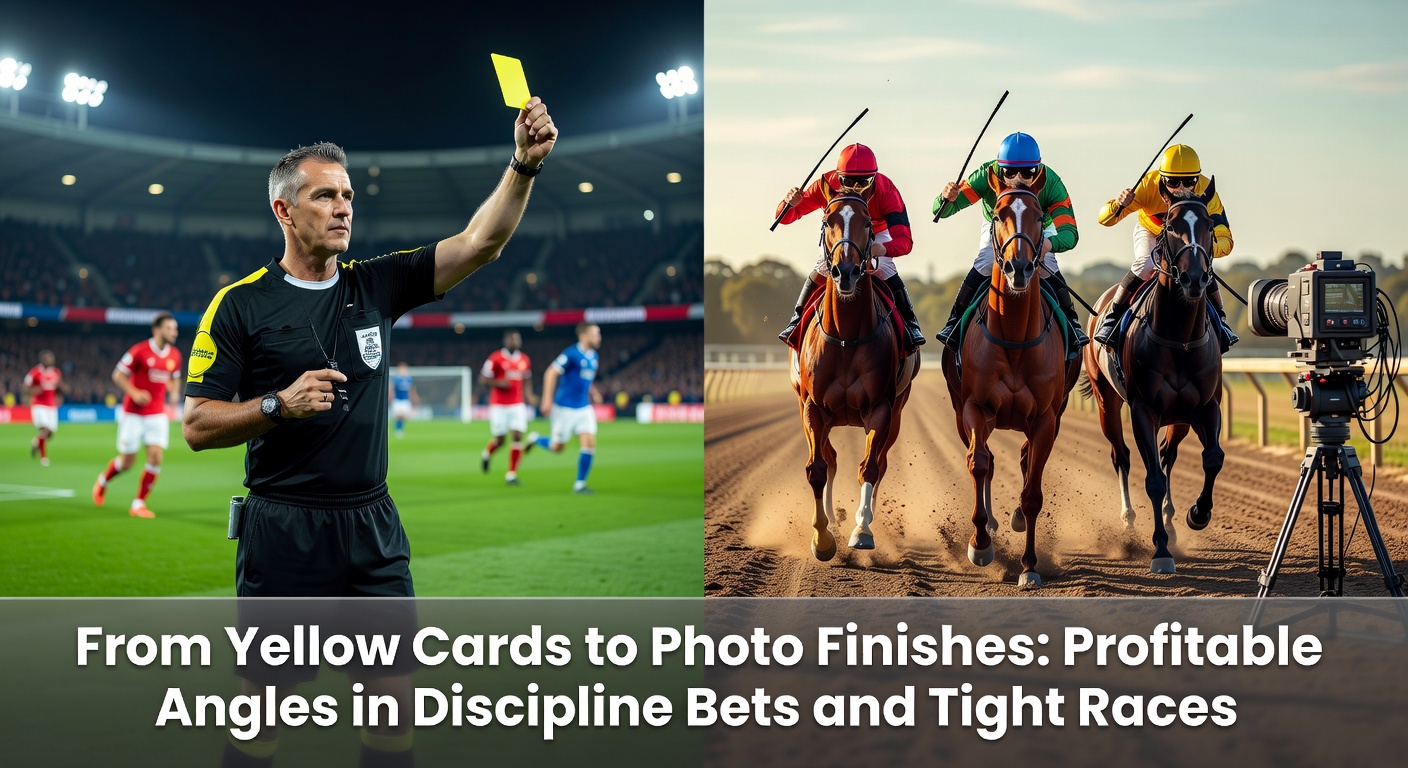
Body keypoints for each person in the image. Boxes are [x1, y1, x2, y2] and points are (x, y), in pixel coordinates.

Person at [181, 98, 556, 768]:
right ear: (284, 210)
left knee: (391, 709)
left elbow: (480, 243)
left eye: (348, 196)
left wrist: (523, 166)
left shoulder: (377, 285)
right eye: (325, 196)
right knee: (263, 716)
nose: (343, 208)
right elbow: (197, 424)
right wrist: (278, 404)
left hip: (371, 527)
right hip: (284, 529)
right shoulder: (239, 304)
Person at [933, 132, 1090, 356]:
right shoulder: (984, 176)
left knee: (1049, 266)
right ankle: (954, 322)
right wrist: (945, 198)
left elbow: (1070, 233)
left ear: (1038, 169)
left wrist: (1048, 244)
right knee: (986, 261)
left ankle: (1072, 324)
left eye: (1027, 173)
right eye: (1009, 172)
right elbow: (941, 211)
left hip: (1036, 226)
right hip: (1001, 225)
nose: (1018, 178)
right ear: (1000, 169)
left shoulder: (1052, 184)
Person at [774, 143, 926, 350]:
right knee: (823, 265)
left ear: (874, 178)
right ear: (838, 177)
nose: (855, 188)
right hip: (839, 232)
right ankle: (796, 320)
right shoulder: (824, 184)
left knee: (884, 266)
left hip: (873, 232)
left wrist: (882, 249)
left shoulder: (886, 189)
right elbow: (784, 218)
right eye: (848, 181)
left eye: (863, 182)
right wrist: (788, 203)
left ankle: (910, 323)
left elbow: (905, 240)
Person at [1092, 144, 1238, 352]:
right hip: (1151, 231)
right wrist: (1119, 204)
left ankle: (1221, 322)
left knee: (1200, 267)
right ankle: (1112, 319)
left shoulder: (1207, 191)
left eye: (1189, 181)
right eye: (1172, 182)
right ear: (1162, 179)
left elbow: (1226, 239)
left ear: (1197, 179)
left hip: (1187, 240)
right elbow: (1105, 220)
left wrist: (1201, 247)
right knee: (1146, 264)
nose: (1180, 188)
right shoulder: (1147, 185)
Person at [92, 312, 182, 518]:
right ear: (157, 330)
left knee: (156, 457)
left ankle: (138, 503)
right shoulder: (139, 350)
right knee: (127, 462)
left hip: (157, 414)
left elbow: (175, 377)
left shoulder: (175, 355)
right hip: (133, 414)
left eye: (175, 329)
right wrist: (134, 393)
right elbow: (117, 374)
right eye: (169, 328)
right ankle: (103, 481)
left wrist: (174, 392)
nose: (174, 332)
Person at [526, 323, 602, 493]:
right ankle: (535, 439)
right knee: (557, 447)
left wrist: (594, 392)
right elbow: (550, 373)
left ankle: (580, 484)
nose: (599, 338)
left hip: (584, 407)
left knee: (589, 443)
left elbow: (585, 379)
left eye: (598, 334)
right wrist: (547, 400)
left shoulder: (594, 357)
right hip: (564, 408)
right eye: (595, 334)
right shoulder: (571, 354)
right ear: (583, 336)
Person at [479, 329, 536, 485]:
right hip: (499, 405)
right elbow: (483, 379)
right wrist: (499, 383)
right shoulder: (496, 358)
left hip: (517, 404)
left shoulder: (524, 359)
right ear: (506, 342)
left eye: (518, 339)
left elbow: (527, 379)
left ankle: (511, 474)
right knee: (500, 440)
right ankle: (486, 454)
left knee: (517, 436)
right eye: (512, 339)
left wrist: (529, 395)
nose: (516, 342)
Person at [23, 350, 64, 467]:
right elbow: (25, 387)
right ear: (43, 360)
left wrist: (59, 397)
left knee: (50, 433)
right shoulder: (35, 372)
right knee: (44, 429)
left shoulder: (56, 372)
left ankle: (36, 442)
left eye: (51, 358)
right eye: (48, 358)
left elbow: (58, 387)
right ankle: (43, 458)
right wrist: (31, 393)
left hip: (51, 405)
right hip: (39, 405)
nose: (51, 360)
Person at [389, 362, 418, 438]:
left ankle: (399, 428)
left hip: (406, 400)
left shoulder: (409, 379)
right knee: (397, 416)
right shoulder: (396, 379)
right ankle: (398, 430)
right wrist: (390, 397)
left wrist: (414, 398)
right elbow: (392, 389)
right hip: (397, 400)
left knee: (405, 416)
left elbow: (412, 389)